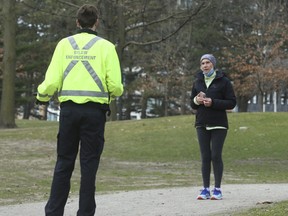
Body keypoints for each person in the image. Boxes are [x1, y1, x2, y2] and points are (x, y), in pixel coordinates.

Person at [36, 4, 123, 215]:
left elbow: (51, 81)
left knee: (64, 163)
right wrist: (112, 93)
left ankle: (54, 211)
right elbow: (116, 87)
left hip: (68, 112)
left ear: (77, 22)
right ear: (97, 22)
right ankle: (85, 212)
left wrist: (42, 96)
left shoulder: (64, 45)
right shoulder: (107, 47)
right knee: (89, 166)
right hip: (95, 114)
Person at [190, 54, 236, 200]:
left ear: (213, 64)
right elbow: (192, 104)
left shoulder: (224, 81)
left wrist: (213, 102)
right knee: (205, 157)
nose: (205, 65)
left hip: (219, 124)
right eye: (202, 63)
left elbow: (231, 102)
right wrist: (197, 100)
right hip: (201, 123)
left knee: (215, 156)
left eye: (207, 62)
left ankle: (217, 189)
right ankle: (205, 189)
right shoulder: (197, 81)